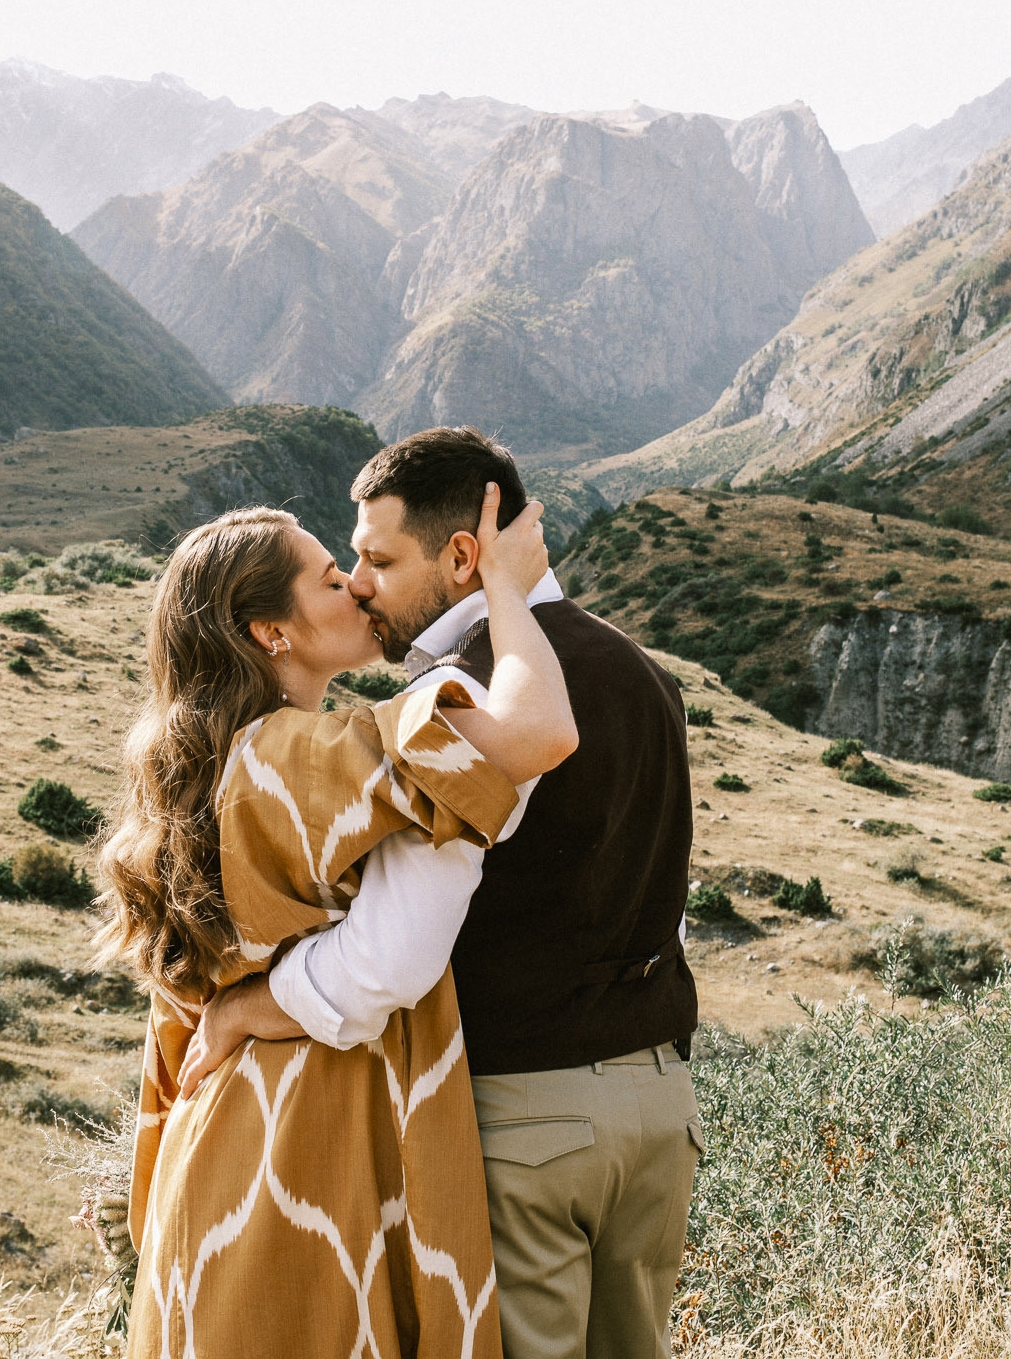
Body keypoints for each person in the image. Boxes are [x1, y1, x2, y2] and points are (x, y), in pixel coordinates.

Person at [185, 427, 700, 1359]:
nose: (361, 582)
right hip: (661, 1108)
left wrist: (250, 1007)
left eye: (379, 557)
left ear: (464, 556)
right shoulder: (641, 670)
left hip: (523, 1119)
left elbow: (390, 958)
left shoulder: (474, 702)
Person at [95, 487, 578, 1358]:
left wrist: (242, 1012)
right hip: (307, 1151)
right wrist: (506, 587)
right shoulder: (303, 758)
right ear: (268, 631)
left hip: (212, 1156)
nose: (357, 589)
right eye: (328, 582)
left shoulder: (194, 771)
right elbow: (539, 730)